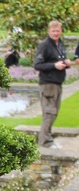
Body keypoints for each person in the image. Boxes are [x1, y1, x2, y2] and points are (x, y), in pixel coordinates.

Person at [33, 20, 72, 149]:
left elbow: (59, 60)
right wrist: (54, 65)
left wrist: (65, 62)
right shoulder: (44, 45)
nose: (56, 33)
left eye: (58, 31)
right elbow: (37, 65)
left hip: (58, 83)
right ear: (49, 31)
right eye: (53, 31)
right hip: (48, 84)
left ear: (61, 31)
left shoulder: (59, 43)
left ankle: (48, 139)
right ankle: (44, 142)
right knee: (49, 113)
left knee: (54, 113)